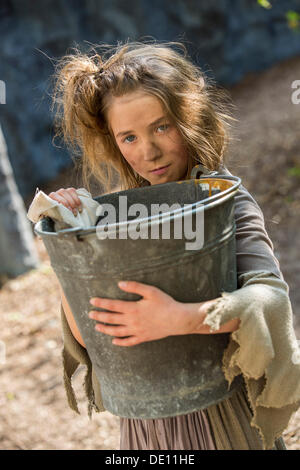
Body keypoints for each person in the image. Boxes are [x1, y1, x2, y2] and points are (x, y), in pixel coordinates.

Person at [47, 41, 299, 450]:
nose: (148, 151)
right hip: (146, 429)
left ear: (191, 117)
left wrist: (180, 319)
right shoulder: (121, 218)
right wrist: (66, 241)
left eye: (162, 126)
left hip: (224, 420)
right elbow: (91, 335)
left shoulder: (224, 204)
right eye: (128, 137)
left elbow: (268, 299)